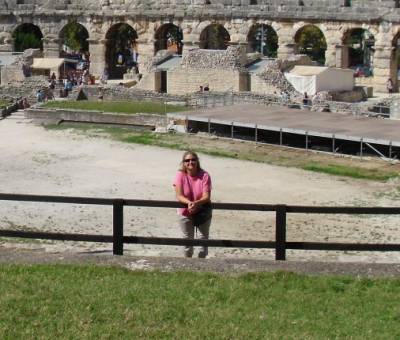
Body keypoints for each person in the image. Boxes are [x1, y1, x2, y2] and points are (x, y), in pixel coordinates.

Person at [173, 151, 212, 258]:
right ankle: (188, 266)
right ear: (183, 163)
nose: (190, 162)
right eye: (187, 160)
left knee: (203, 242)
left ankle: (201, 267)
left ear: (197, 161)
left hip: (202, 211)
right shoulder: (179, 175)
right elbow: (179, 195)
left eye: (193, 160)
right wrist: (190, 203)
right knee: (187, 242)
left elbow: (206, 196)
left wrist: (196, 203)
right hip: (185, 212)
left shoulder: (205, 175)